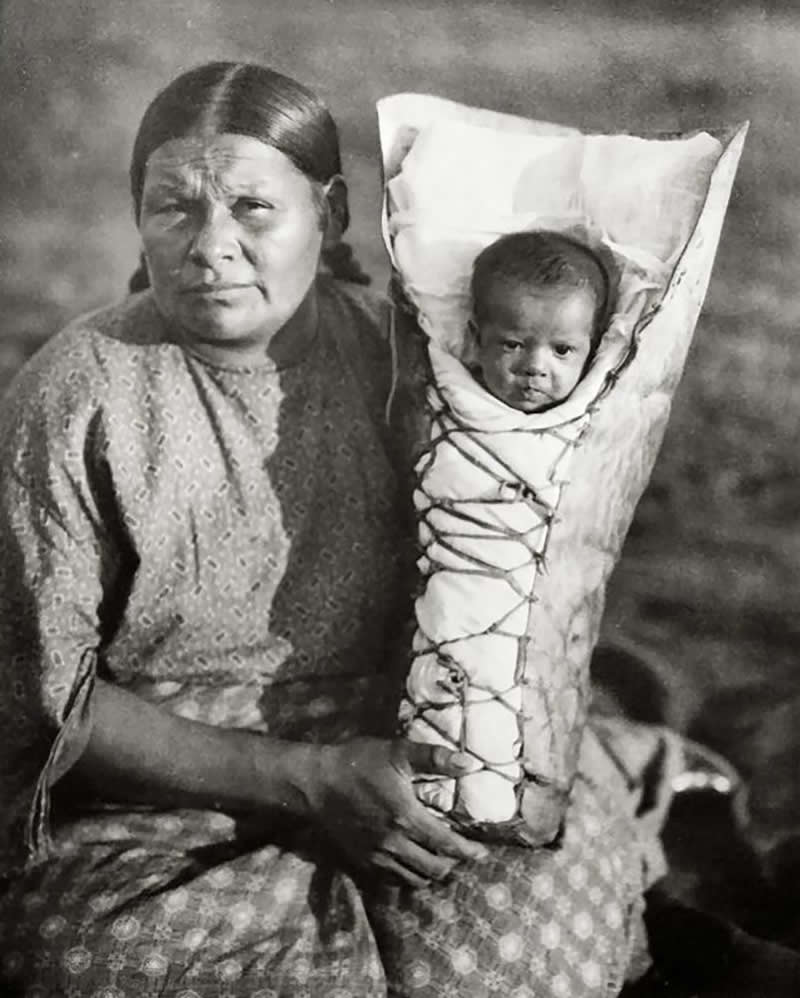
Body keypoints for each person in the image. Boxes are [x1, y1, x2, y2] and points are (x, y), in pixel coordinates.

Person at [0, 61, 675, 998]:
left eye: (252, 208)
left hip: (419, 764)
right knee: (91, 961)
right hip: (168, 796)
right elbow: (43, 699)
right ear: (137, 216)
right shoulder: (78, 395)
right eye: (174, 209)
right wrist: (308, 780)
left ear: (334, 212)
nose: (211, 246)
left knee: (529, 949)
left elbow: (518, 564)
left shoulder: (417, 368)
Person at [468, 229, 613, 413]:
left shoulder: (600, 412)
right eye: (513, 345)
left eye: (562, 350)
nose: (535, 367)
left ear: (593, 349)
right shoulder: (449, 394)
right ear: (477, 340)